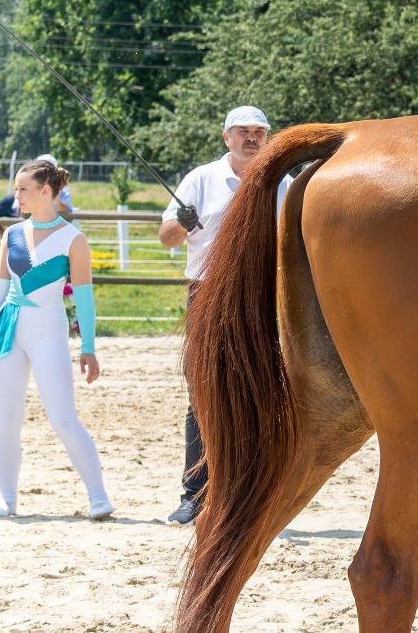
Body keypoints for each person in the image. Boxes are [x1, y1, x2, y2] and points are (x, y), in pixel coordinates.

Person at [158, 105, 291, 526]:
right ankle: (194, 494)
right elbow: (166, 240)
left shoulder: (281, 184)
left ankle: (250, 494)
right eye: (243, 132)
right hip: (207, 295)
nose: (252, 138)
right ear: (226, 137)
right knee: (202, 394)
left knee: (261, 392)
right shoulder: (200, 180)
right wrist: (181, 222)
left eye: (259, 131)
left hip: (261, 296)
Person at [0, 158, 112, 520]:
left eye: (22, 189)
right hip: (9, 331)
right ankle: (7, 499)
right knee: (7, 418)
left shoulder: (73, 239)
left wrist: (89, 347)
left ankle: (98, 496)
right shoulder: (11, 234)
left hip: (48, 328)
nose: (15, 195)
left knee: (63, 417)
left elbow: (84, 298)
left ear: (45, 191)